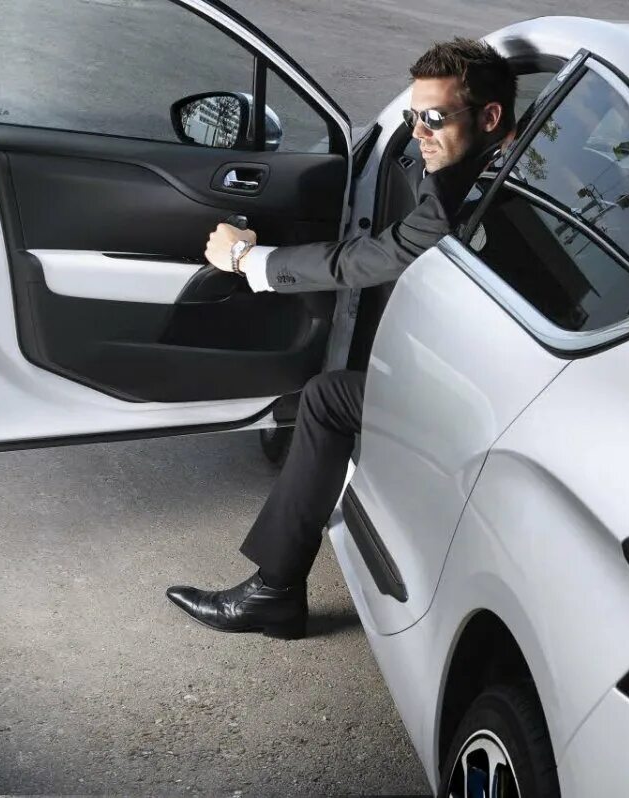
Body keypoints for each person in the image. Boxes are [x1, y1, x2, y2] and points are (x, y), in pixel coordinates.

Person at [165, 38, 517, 640]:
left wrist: (249, 260)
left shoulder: (477, 195)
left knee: (329, 399)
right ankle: (275, 589)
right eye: (413, 117)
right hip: (493, 379)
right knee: (330, 394)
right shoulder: (502, 165)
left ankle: (274, 593)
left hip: (492, 414)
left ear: (489, 118)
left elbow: (373, 257)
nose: (418, 133)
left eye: (434, 118)